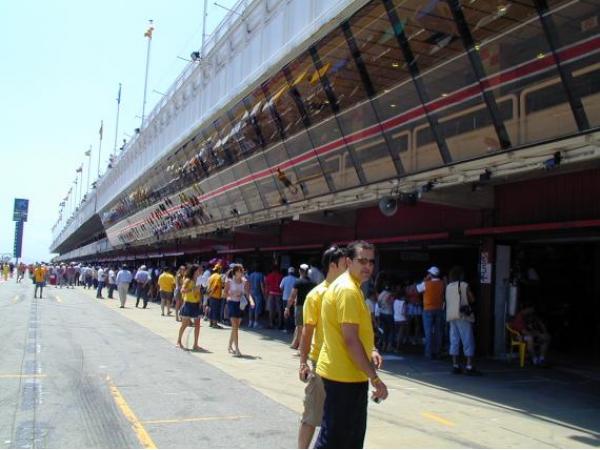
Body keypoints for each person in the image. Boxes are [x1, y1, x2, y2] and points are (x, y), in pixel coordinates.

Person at [315, 241, 388, 449]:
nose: (368, 266)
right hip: (345, 377)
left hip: (343, 374)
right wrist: (374, 377)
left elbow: (354, 336)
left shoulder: (350, 287)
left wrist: (371, 349)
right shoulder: (348, 291)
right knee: (340, 441)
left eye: (371, 262)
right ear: (348, 262)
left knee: (337, 438)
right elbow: (350, 339)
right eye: (362, 261)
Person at [297, 246, 347, 449]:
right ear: (333, 266)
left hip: (345, 365)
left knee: (341, 418)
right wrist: (303, 363)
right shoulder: (316, 295)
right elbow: (306, 332)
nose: (349, 267)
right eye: (346, 264)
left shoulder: (349, 292)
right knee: (311, 414)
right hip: (321, 364)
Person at [445, 266, 480, 375]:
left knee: (454, 340)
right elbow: (472, 299)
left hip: (451, 316)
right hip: (463, 316)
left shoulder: (448, 287)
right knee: (467, 340)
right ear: (461, 275)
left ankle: (455, 365)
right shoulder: (464, 285)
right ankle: (469, 366)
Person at [224, 264, 255, 356]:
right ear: (235, 272)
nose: (241, 273)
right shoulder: (229, 281)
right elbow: (224, 293)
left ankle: (229, 345)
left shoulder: (244, 281)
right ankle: (237, 349)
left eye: (242, 271)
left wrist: (252, 302)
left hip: (241, 304)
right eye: (239, 271)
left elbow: (248, 293)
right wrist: (232, 295)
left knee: (236, 327)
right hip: (232, 303)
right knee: (235, 326)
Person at [285, 264, 315, 350]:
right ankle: (296, 344)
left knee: (299, 327)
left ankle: (301, 348)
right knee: (307, 328)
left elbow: (292, 296)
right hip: (309, 307)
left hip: (299, 307)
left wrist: (287, 308)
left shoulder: (298, 282)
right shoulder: (313, 283)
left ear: (300, 271)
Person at [417, 266, 445, 359]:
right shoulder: (442, 283)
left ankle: (428, 353)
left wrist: (425, 279)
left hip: (428, 309)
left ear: (430, 275)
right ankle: (437, 352)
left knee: (428, 332)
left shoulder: (426, 283)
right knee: (438, 332)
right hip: (439, 308)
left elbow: (418, 289)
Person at [177, 265, 203, 351]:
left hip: (196, 304)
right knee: (184, 324)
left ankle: (195, 344)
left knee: (198, 325)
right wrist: (192, 289)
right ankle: (179, 341)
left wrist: (200, 301)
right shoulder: (188, 280)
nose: (200, 271)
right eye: (198, 270)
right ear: (194, 271)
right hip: (188, 303)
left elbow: (199, 292)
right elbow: (182, 290)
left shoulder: (199, 280)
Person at [377, 284, 395, 353]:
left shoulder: (381, 294)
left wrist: (383, 306)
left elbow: (378, 303)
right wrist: (389, 305)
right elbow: (390, 302)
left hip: (382, 313)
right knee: (392, 330)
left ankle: (384, 345)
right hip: (389, 313)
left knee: (385, 330)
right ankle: (389, 346)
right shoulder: (390, 294)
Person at [206, 263, 224, 329]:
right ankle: (215, 324)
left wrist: (209, 294)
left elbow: (208, 286)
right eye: (221, 269)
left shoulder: (211, 276)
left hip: (211, 295)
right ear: (219, 270)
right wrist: (212, 293)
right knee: (215, 310)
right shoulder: (218, 277)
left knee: (211, 309)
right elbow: (216, 286)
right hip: (215, 296)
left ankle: (211, 323)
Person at [280, 267, 297, 332]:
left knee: (286, 313)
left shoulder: (284, 278)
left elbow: (281, 287)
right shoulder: (296, 279)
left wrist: (284, 291)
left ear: (288, 272)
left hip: (285, 298)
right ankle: (292, 328)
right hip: (293, 298)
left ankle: (286, 328)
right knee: (292, 313)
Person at [393, 285, 408, 351]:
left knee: (396, 333)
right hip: (402, 319)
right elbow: (403, 312)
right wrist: (406, 318)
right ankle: (398, 347)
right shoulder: (403, 303)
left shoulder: (395, 301)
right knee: (400, 334)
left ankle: (395, 345)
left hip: (395, 319)